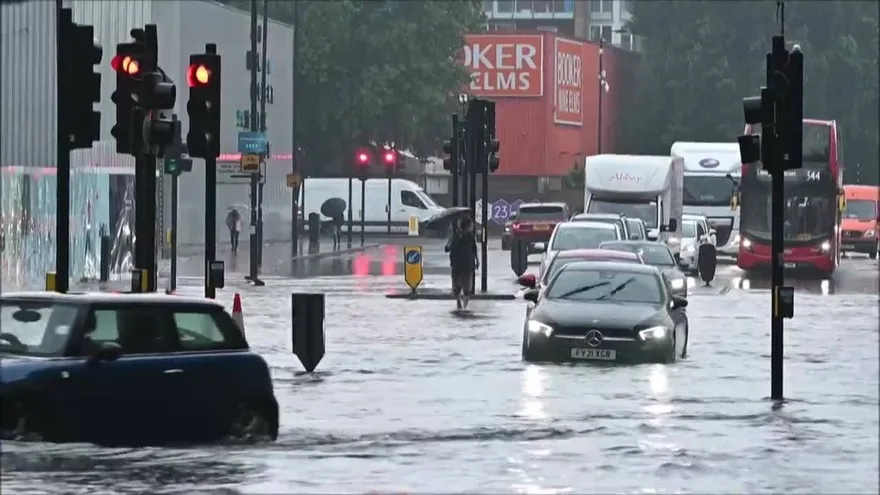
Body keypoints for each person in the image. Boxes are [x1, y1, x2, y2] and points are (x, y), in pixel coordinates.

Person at [445, 217, 479, 310]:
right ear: (467, 226)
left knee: (457, 287)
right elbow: (474, 250)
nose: (472, 227)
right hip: (466, 265)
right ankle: (464, 306)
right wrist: (477, 260)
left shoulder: (456, 236)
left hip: (457, 265)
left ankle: (459, 303)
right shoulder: (468, 236)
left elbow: (447, 248)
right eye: (471, 225)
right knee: (466, 288)